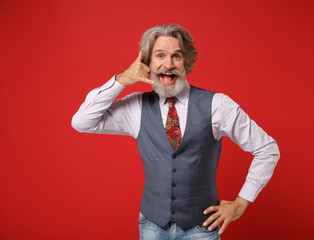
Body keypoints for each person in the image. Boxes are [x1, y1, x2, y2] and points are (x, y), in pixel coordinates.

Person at [72, 24, 280, 240]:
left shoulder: (217, 105)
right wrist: (122, 79)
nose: (168, 65)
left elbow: (267, 149)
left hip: (201, 228)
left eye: (177, 56)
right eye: (159, 55)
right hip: (151, 225)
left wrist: (241, 203)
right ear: (147, 62)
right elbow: (82, 122)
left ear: (186, 62)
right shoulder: (136, 107)